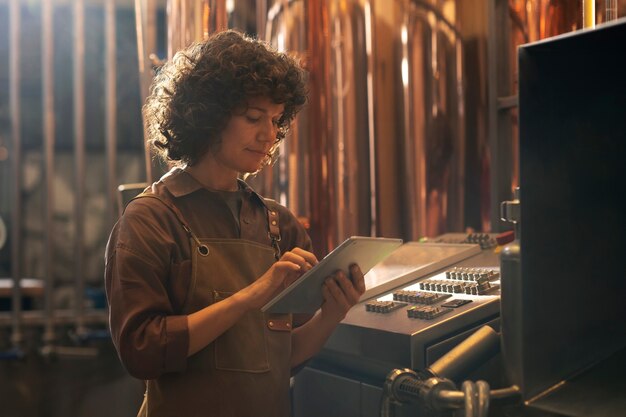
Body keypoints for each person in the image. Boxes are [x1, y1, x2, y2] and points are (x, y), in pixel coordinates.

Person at [104, 29, 365, 417]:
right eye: (253, 117)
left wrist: (333, 313)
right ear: (207, 116)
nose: (269, 134)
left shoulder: (279, 225)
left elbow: (283, 358)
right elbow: (143, 351)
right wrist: (252, 295)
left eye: (277, 120)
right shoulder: (151, 220)